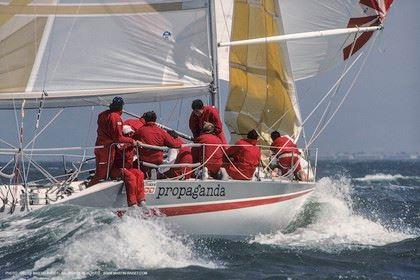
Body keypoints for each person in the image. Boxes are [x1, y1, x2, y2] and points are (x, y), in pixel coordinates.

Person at [88, 97, 138, 187]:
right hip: (107, 149)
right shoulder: (115, 117)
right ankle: (89, 189)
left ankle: (91, 185)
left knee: (101, 171)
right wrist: (132, 141)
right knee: (103, 173)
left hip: (99, 146)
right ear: (121, 107)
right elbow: (118, 138)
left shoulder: (102, 115)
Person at [134, 111, 181, 176]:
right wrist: (180, 142)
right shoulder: (161, 131)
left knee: (134, 163)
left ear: (145, 119)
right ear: (155, 119)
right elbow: (173, 144)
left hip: (144, 161)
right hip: (157, 161)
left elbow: (132, 140)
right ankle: (156, 173)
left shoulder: (140, 131)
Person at [110, 125, 145, 207]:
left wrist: (137, 144)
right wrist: (132, 144)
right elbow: (121, 147)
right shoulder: (118, 142)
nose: (130, 135)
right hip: (117, 169)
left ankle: (141, 199)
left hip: (128, 168)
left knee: (140, 173)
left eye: (131, 133)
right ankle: (132, 203)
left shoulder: (130, 142)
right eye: (127, 134)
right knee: (130, 177)